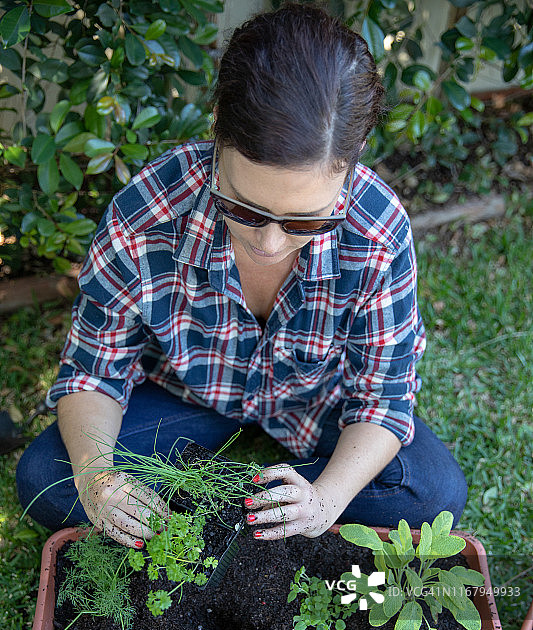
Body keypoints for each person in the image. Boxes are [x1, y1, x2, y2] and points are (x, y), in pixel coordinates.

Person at [16, 3, 467, 548]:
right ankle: (244, 510)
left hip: (316, 403)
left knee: (434, 492)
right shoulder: (148, 212)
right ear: (218, 137)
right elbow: (94, 373)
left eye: (305, 219)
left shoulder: (377, 230)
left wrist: (325, 499)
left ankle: (202, 508)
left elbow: (382, 401)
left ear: (351, 163)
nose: (269, 243)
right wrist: (97, 477)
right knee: (47, 478)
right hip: (185, 397)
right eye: (245, 209)